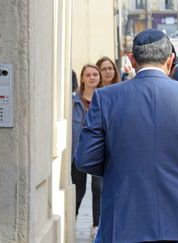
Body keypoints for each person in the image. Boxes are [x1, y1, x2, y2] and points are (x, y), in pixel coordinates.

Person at [74, 29, 178, 243]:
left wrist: (119, 171)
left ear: (132, 59)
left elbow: (85, 158)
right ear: (171, 59)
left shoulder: (105, 98)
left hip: (123, 220)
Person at [71, 64, 103, 240]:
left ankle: (96, 226)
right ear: (82, 78)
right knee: (79, 190)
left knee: (98, 188)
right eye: (88, 74)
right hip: (78, 153)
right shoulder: (74, 100)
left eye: (95, 74)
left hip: (99, 152)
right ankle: (73, 218)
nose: (92, 77)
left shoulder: (104, 98)